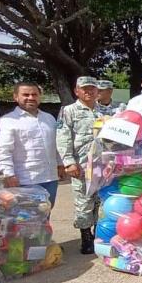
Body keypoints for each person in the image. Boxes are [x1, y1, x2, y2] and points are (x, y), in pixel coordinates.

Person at [0, 83, 64, 208]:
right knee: (25, 219)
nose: (31, 98)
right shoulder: (8, 121)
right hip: (24, 180)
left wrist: (60, 164)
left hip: (50, 178)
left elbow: (57, 144)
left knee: (46, 214)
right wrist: (9, 174)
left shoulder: (49, 118)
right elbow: (3, 150)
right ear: (15, 97)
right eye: (25, 95)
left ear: (40, 97)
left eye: (34, 94)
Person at [56, 76, 103, 254]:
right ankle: (86, 236)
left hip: (103, 165)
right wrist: (68, 162)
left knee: (101, 201)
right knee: (83, 202)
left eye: (92, 88)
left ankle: (99, 234)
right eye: (84, 88)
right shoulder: (69, 111)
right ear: (77, 91)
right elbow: (63, 137)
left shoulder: (103, 112)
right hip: (81, 166)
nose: (89, 91)